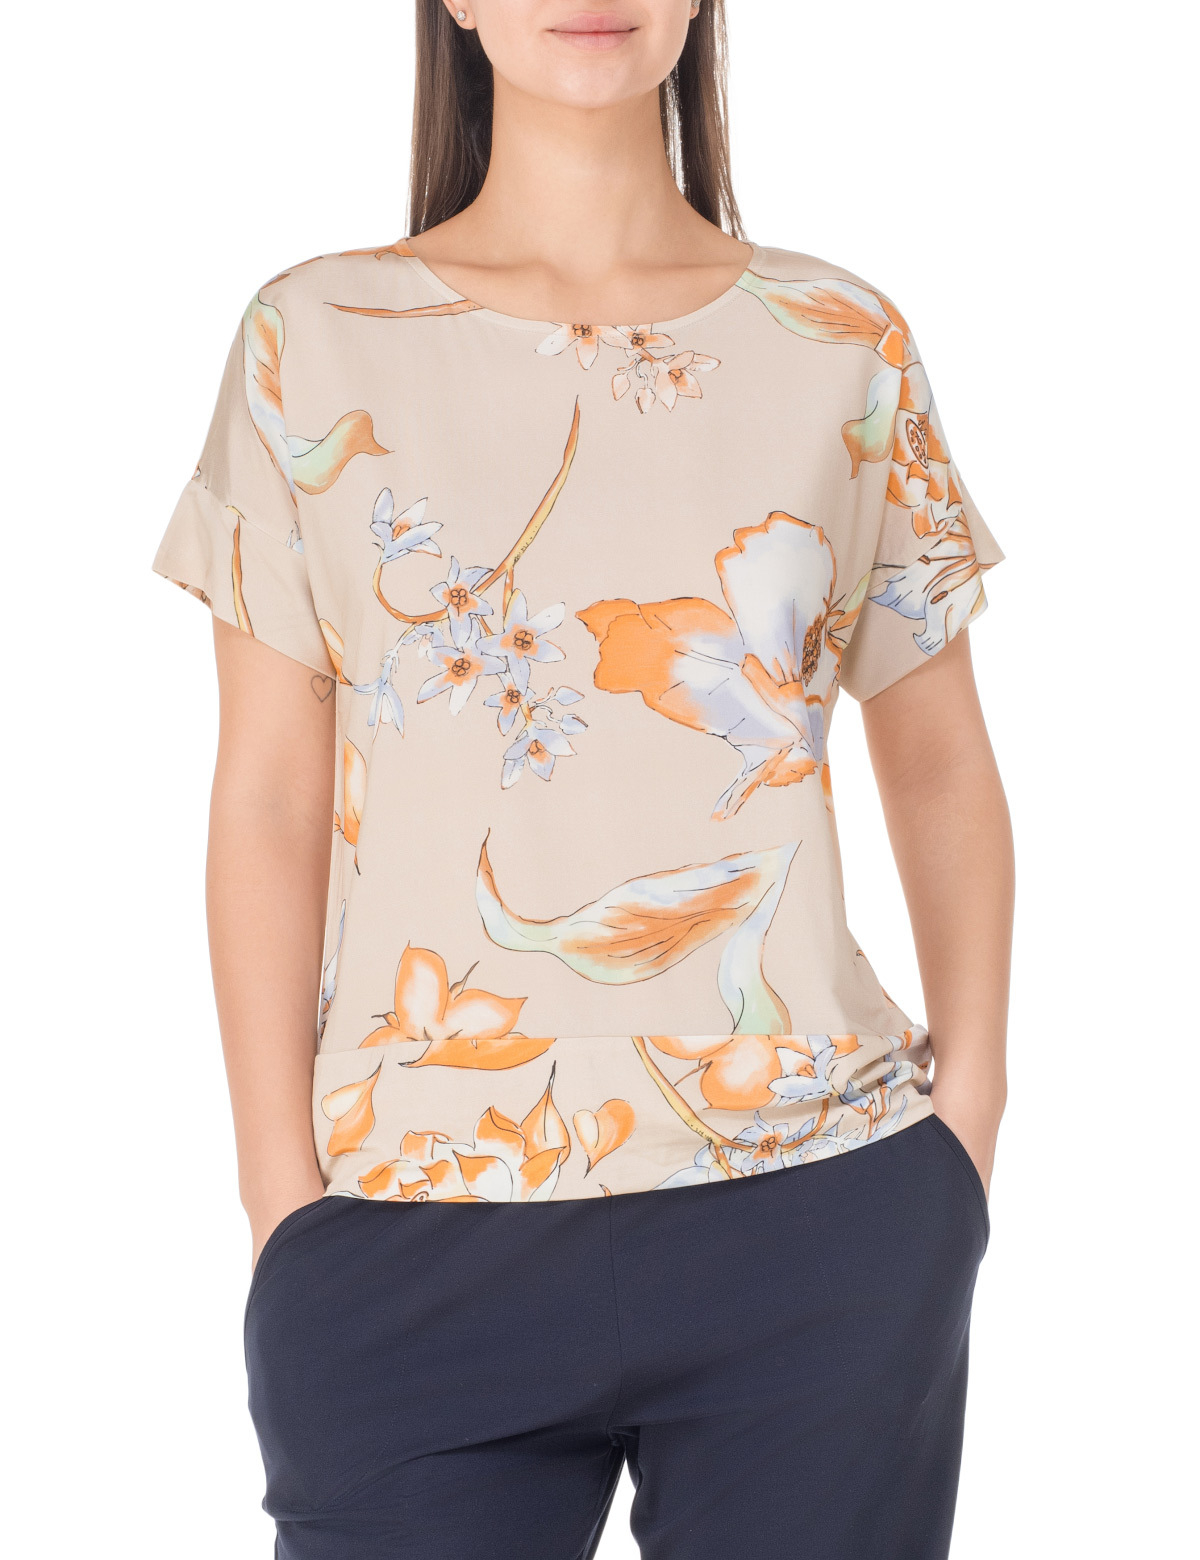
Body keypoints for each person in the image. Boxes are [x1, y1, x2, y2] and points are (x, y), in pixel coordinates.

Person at [152, 2, 1013, 1555]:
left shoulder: (841, 339)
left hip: (815, 1201)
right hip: (410, 1231)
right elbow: (267, 800)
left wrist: (968, 1125)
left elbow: (941, 759)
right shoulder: (312, 340)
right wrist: (281, 1206)